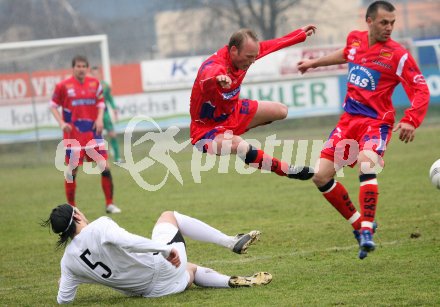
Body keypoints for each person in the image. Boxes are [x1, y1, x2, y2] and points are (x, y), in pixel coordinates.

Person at [297, 1, 430, 259]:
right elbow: (345, 53)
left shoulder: (398, 55)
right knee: (320, 176)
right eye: (384, 22)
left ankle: (367, 230)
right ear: (369, 21)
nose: (389, 27)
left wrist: (411, 120)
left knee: (367, 164)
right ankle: (359, 226)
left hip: (376, 123)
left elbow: (420, 88)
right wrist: (313, 63)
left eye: (392, 23)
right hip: (348, 121)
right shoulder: (355, 40)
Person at [42, 204, 272, 304]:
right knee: (169, 216)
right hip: (162, 267)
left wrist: (68, 278)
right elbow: (128, 241)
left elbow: (64, 300)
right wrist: (164, 249)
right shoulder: (99, 226)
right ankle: (230, 241)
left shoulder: (69, 262)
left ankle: (229, 281)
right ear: (78, 216)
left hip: (154, 291)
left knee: (190, 268)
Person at [190, 26, 317, 180]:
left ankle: (236, 130)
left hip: (233, 113)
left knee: (281, 110)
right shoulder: (215, 65)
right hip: (206, 130)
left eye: (254, 57)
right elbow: (206, 77)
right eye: (249, 57)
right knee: (241, 146)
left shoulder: (246, 56)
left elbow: (273, 44)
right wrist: (218, 79)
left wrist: (299, 34)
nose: (252, 62)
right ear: (234, 50)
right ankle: (288, 170)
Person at [50, 55, 122, 214]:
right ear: (73, 68)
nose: (81, 69)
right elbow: (53, 105)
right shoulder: (63, 86)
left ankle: (110, 204)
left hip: (93, 133)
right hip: (73, 135)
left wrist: (99, 119)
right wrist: (61, 123)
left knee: (105, 166)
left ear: (87, 68)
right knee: (72, 171)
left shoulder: (95, 84)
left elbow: (101, 103)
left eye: (84, 66)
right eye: (78, 66)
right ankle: (72, 207)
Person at [90, 66, 123, 163]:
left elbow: (109, 98)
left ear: (100, 74)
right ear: (91, 75)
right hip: (94, 116)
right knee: (97, 138)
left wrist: (114, 108)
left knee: (112, 134)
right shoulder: (89, 86)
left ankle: (117, 158)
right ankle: (100, 159)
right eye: (93, 74)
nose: (95, 76)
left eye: (97, 74)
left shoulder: (105, 86)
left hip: (105, 114)